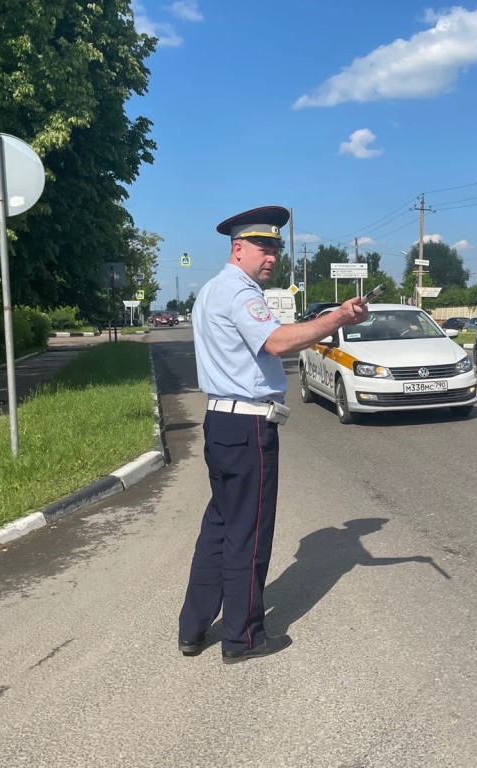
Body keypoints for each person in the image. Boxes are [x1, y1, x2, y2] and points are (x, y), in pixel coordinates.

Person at [178, 205, 368, 664]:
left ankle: (193, 627)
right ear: (237, 248)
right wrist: (339, 317)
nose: (272, 257)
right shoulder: (242, 293)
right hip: (247, 427)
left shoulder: (210, 291)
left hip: (222, 422)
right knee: (249, 533)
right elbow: (278, 342)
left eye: (277, 249)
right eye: (263, 248)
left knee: (219, 527)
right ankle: (242, 638)